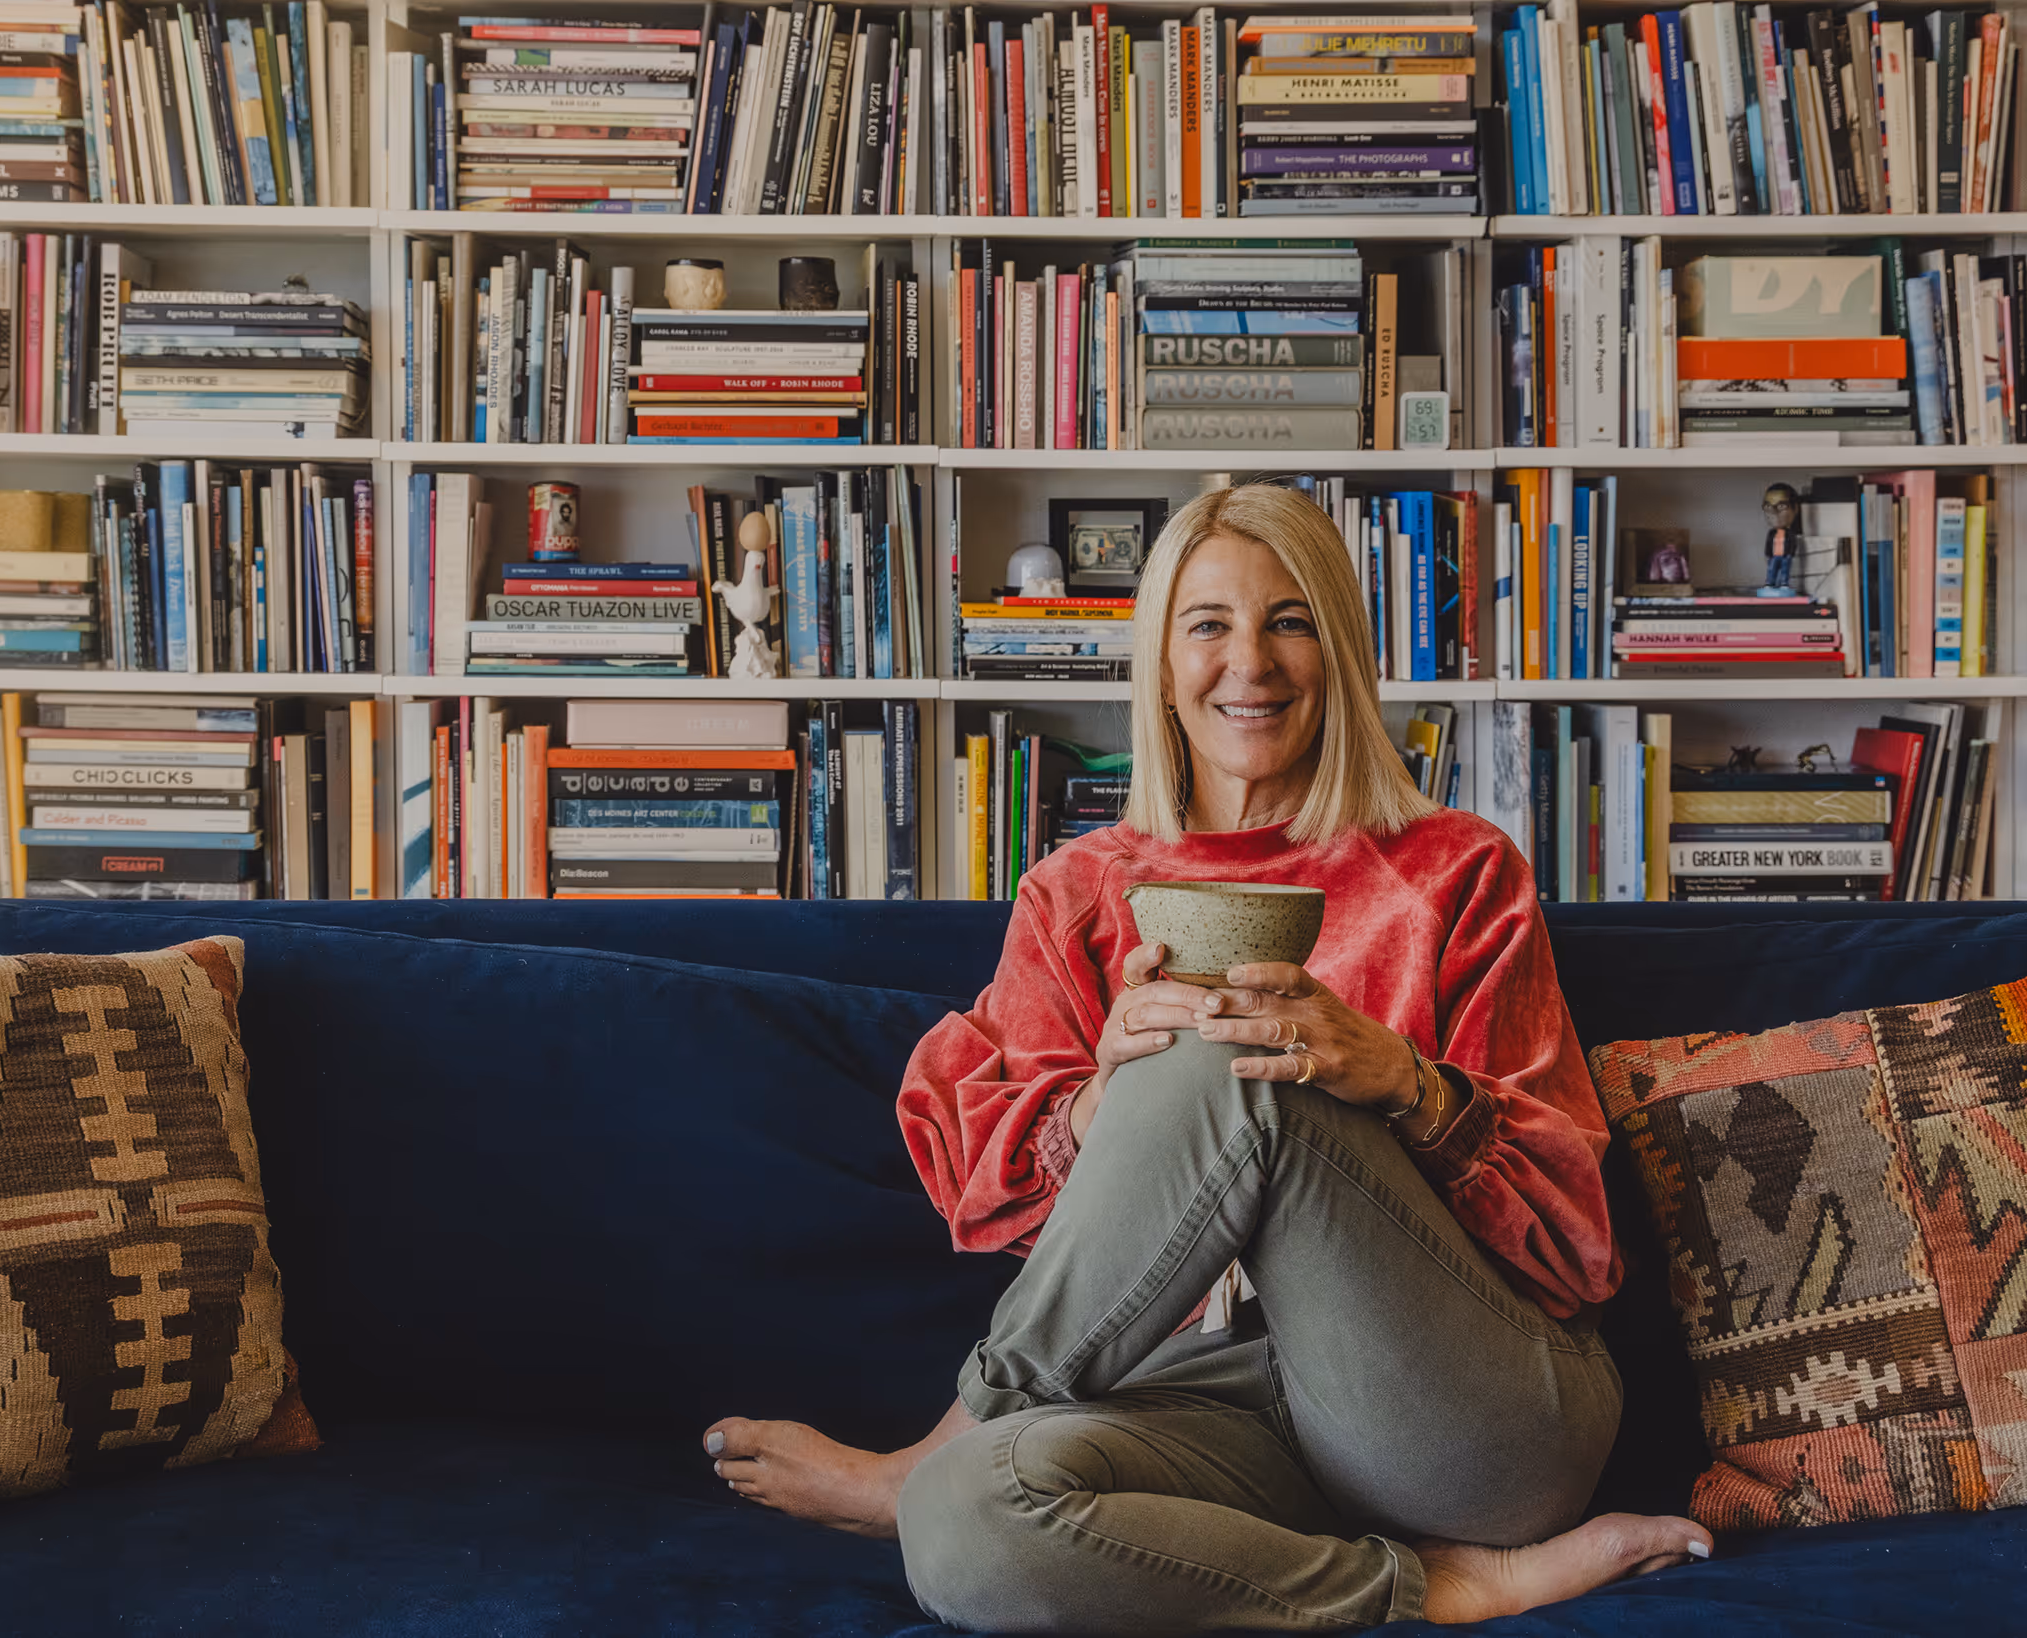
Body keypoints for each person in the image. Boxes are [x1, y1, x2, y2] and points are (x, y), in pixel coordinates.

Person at [701, 484, 1710, 1634]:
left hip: (1466, 1418)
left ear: (1337, 649)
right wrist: (1094, 1110)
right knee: (963, 1524)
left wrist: (1403, 1084)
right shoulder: (1077, 896)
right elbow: (1001, 1201)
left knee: (1221, 1057)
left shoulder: (1455, 872)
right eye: (1209, 624)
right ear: (1162, 663)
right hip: (1210, 1410)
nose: (1252, 663)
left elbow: (1580, 1245)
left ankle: (952, 1430)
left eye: (1289, 620)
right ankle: (1434, 1587)